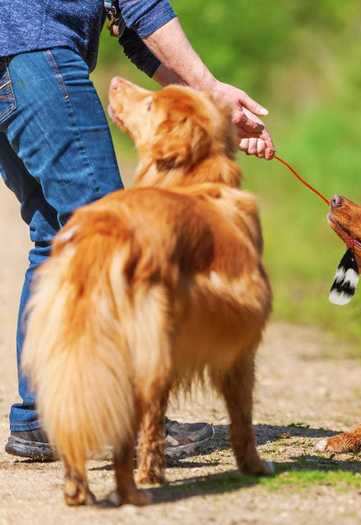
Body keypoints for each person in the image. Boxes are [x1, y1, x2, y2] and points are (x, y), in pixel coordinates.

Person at [0, 0, 275, 460]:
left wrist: (211, 102)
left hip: (14, 57)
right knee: (112, 231)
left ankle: (42, 416)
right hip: (36, 54)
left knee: (58, 235)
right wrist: (209, 87)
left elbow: (128, 26)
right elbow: (140, 6)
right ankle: (135, 417)